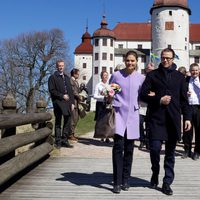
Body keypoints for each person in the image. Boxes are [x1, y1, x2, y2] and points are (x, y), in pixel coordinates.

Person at [140, 48, 192, 196]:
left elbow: (184, 100)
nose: (165, 60)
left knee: (170, 153)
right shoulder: (152, 75)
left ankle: (167, 182)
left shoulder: (179, 77)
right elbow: (143, 95)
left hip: (173, 119)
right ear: (160, 58)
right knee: (155, 149)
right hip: (156, 118)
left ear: (173, 58)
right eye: (163, 57)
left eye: (168, 58)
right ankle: (155, 171)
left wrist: (187, 118)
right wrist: (158, 99)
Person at [109, 51, 145, 194]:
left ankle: (125, 179)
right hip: (119, 114)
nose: (130, 63)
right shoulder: (117, 75)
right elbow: (112, 93)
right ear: (124, 60)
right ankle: (117, 182)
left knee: (129, 149)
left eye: (133, 61)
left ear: (137, 61)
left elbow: (142, 97)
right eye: (128, 60)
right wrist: (109, 96)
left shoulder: (141, 78)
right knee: (118, 147)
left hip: (134, 115)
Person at [48, 60, 75, 149]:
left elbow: (70, 92)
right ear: (56, 66)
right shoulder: (52, 77)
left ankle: (65, 140)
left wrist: (72, 103)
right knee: (58, 122)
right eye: (59, 66)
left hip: (67, 103)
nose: (61, 67)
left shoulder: (67, 77)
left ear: (64, 66)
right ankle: (58, 141)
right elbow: (52, 91)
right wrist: (62, 96)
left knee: (67, 121)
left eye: (62, 65)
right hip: (58, 102)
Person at [182, 63, 200, 160]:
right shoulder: (186, 80)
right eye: (193, 70)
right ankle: (187, 150)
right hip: (189, 107)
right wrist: (186, 93)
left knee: (199, 131)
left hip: (199, 108)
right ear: (190, 71)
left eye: (196, 70)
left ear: (199, 71)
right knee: (187, 130)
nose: (194, 72)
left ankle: (197, 151)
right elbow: (181, 93)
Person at [139, 63, 155, 150]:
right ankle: (142, 140)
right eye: (148, 69)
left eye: (152, 70)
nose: (150, 71)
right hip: (142, 104)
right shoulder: (142, 78)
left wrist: (155, 93)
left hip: (151, 105)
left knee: (149, 124)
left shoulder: (156, 78)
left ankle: (148, 141)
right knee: (140, 123)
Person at [93, 71, 110, 143]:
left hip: (108, 104)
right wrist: (103, 97)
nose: (106, 77)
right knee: (101, 120)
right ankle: (101, 136)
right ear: (101, 76)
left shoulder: (109, 85)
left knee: (108, 120)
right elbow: (95, 96)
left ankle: (107, 136)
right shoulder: (98, 85)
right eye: (104, 75)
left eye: (107, 75)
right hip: (100, 104)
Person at [69, 68, 82, 141]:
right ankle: (70, 134)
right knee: (73, 119)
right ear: (74, 74)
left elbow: (77, 90)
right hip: (73, 102)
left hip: (77, 102)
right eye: (78, 74)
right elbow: (73, 91)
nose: (79, 75)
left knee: (76, 118)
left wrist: (81, 88)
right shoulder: (71, 80)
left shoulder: (76, 81)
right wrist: (79, 96)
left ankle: (72, 133)